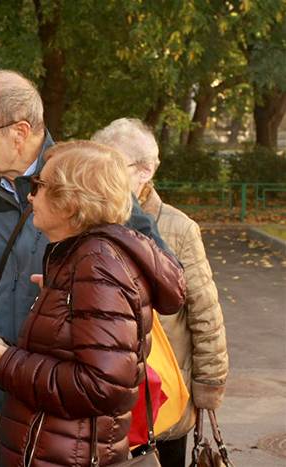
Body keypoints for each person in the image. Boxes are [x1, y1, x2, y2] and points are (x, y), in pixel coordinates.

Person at [0, 70, 173, 466]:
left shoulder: (84, 178)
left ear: (19, 131)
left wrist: (87, 286)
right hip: (2, 402)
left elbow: (162, 274)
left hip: (74, 421)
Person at [92, 118, 229, 467]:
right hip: (108, 393)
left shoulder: (177, 227)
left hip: (163, 396)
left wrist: (208, 388)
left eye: (113, 165)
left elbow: (205, 313)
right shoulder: (91, 218)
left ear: (146, 171)